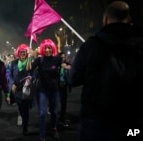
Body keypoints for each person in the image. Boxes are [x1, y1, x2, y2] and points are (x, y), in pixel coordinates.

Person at [69, 1, 143, 141]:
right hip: (133, 123)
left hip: (96, 123)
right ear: (129, 20)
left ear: (105, 20)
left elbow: (73, 79)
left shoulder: (91, 46)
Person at [28, 39, 62, 141]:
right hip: (42, 90)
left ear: (52, 49)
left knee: (54, 112)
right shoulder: (39, 60)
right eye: (46, 48)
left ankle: (54, 128)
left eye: (49, 48)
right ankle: (42, 134)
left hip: (54, 89)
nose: (47, 50)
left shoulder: (57, 59)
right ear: (43, 49)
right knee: (42, 113)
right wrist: (30, 58)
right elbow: (29, 69)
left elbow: (64, 68)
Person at [9, 43, 32, 135]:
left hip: (26, 89)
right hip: (17, 89)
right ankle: (23, 118)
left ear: (27, 53)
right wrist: (12, 84)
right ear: (18, 53)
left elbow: (33, 74)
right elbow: (10, 75)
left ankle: (25, 127)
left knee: (25, 109)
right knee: (21, 108)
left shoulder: (30, 62)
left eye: (24, 52)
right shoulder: (14, 63)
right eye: (21, 52)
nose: (22, 53)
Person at [57, 52, 71, 129]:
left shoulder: (66, 64)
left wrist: (67, 66)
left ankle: (62, 118)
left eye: (64, 57)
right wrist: (59, 66)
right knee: (58, 103)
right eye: (61, 57)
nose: (63, 58)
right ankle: (60, 120)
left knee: (64, 103)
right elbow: (52, 68)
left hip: (64, 86)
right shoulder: (56, 65)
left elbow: (71, 67)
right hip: (58, 86)